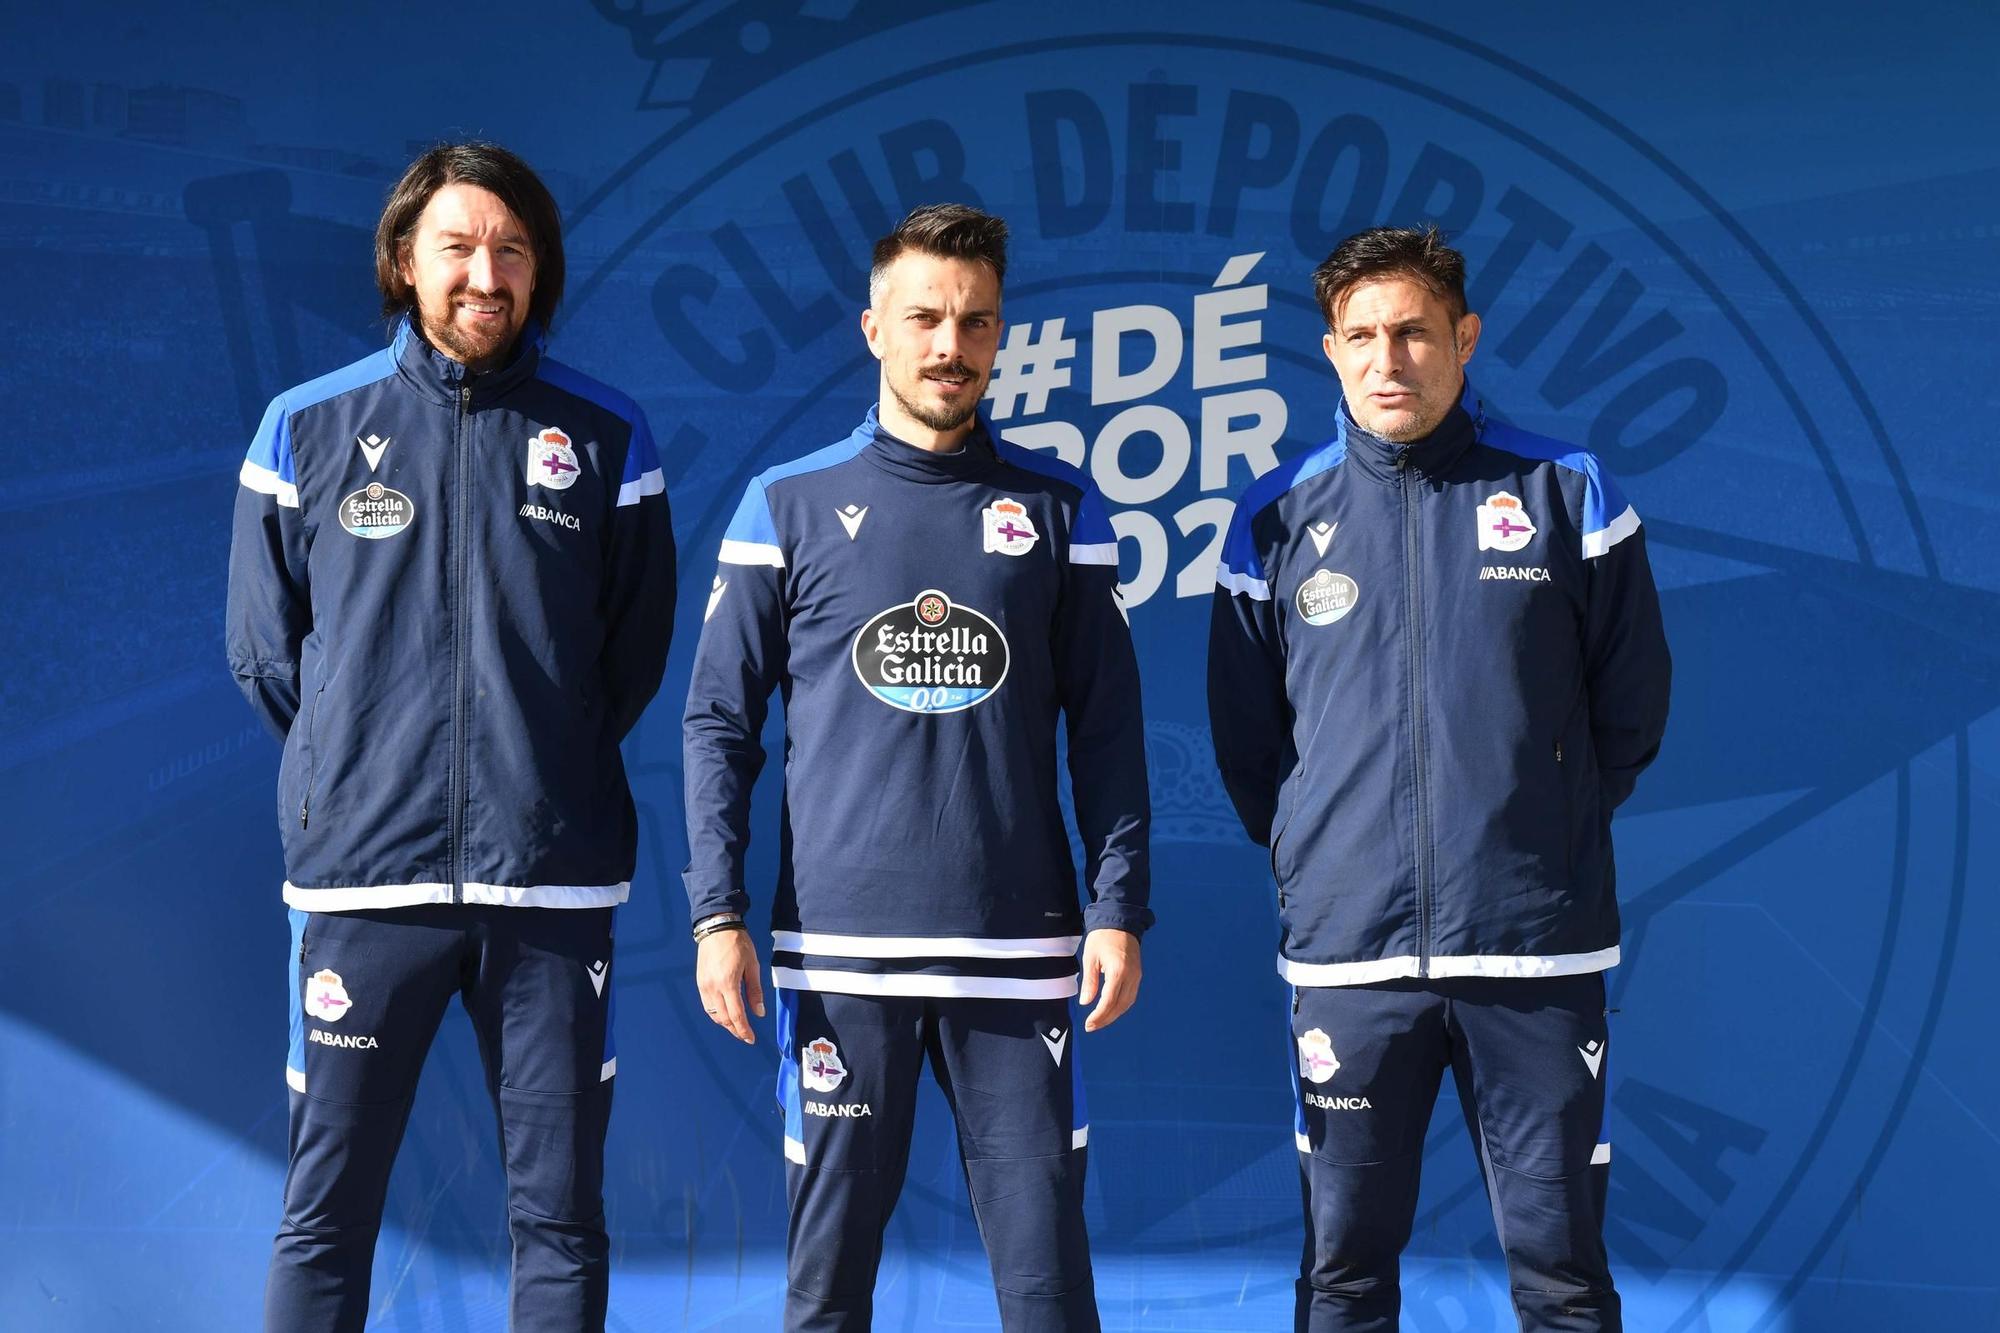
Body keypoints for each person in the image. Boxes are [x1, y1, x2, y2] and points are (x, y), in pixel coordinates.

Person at [225, 141, 676, 1332]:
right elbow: (268, 654)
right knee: (327, 1212)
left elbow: (627, 659)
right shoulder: (304, 428)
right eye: (459, 246)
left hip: (552, 886)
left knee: (560, 1219)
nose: (487, 272)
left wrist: (542, 761)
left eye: (513, 250)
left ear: (541, 273)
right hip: (365, 889)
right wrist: (360, 759)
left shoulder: (607, 434)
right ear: (402, 263)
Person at [682, 203, 1150, 1332]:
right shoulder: (783, 506)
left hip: (1019, 954)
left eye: (974, 322)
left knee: (1045, 1292)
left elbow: (1108, 731)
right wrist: (715, 914)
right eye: (925, 318)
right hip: (842, 953)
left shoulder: (1058, 511)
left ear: (1000, 336)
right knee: (827, 1289)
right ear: (874, 329)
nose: (950, 345)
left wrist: (1117, 906)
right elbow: (716, 726)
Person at [1208, 225, 1671, 1332]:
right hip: (1349, 956)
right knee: (1343, 1273)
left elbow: (1631, 708)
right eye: (1360, 336)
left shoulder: (1565, 490)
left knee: (1559, 1270)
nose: (1388, 359)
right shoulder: (1275, 517)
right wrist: (1320, 851)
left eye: (1413, 332)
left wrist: (1535, 826)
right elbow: (1247, 743)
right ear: (1328, 349)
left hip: (1535, 948)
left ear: (1462, 337)